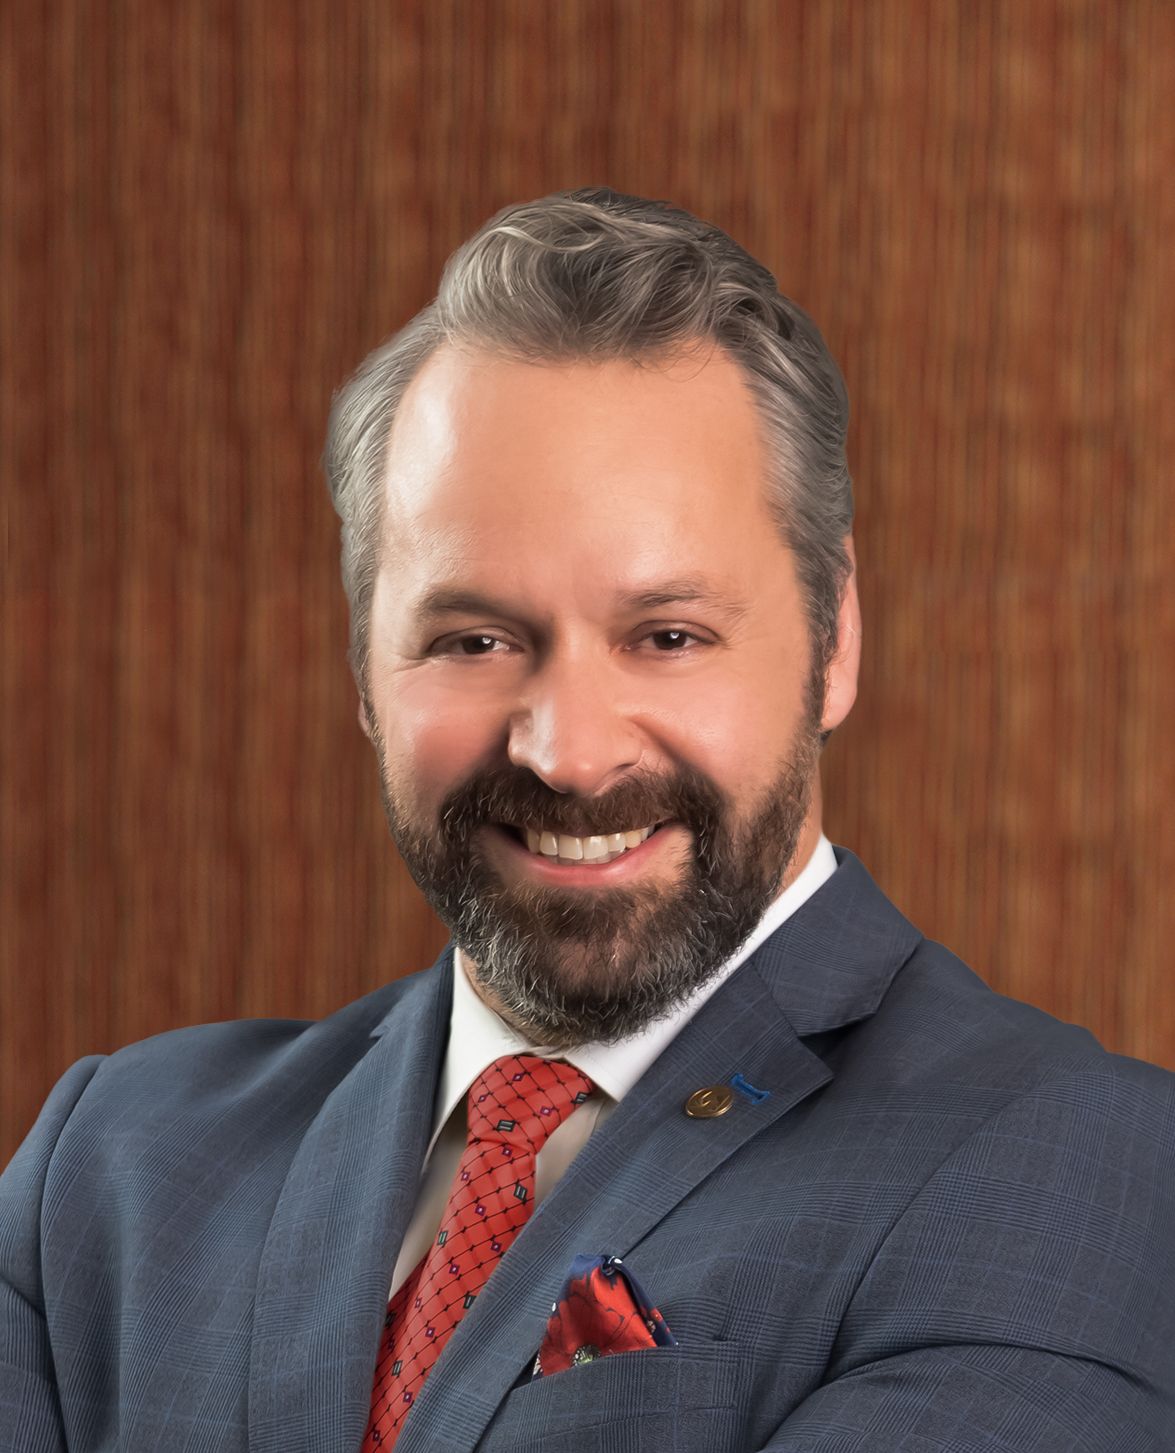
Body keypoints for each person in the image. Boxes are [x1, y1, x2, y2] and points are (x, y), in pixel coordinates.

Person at [2, 187, 1172, 1453]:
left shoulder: (1076, 1165)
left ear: (832, 642)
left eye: (665, 636)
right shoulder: (111, 1170)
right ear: (360, 668)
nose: (564, 753)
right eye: (474, 638)